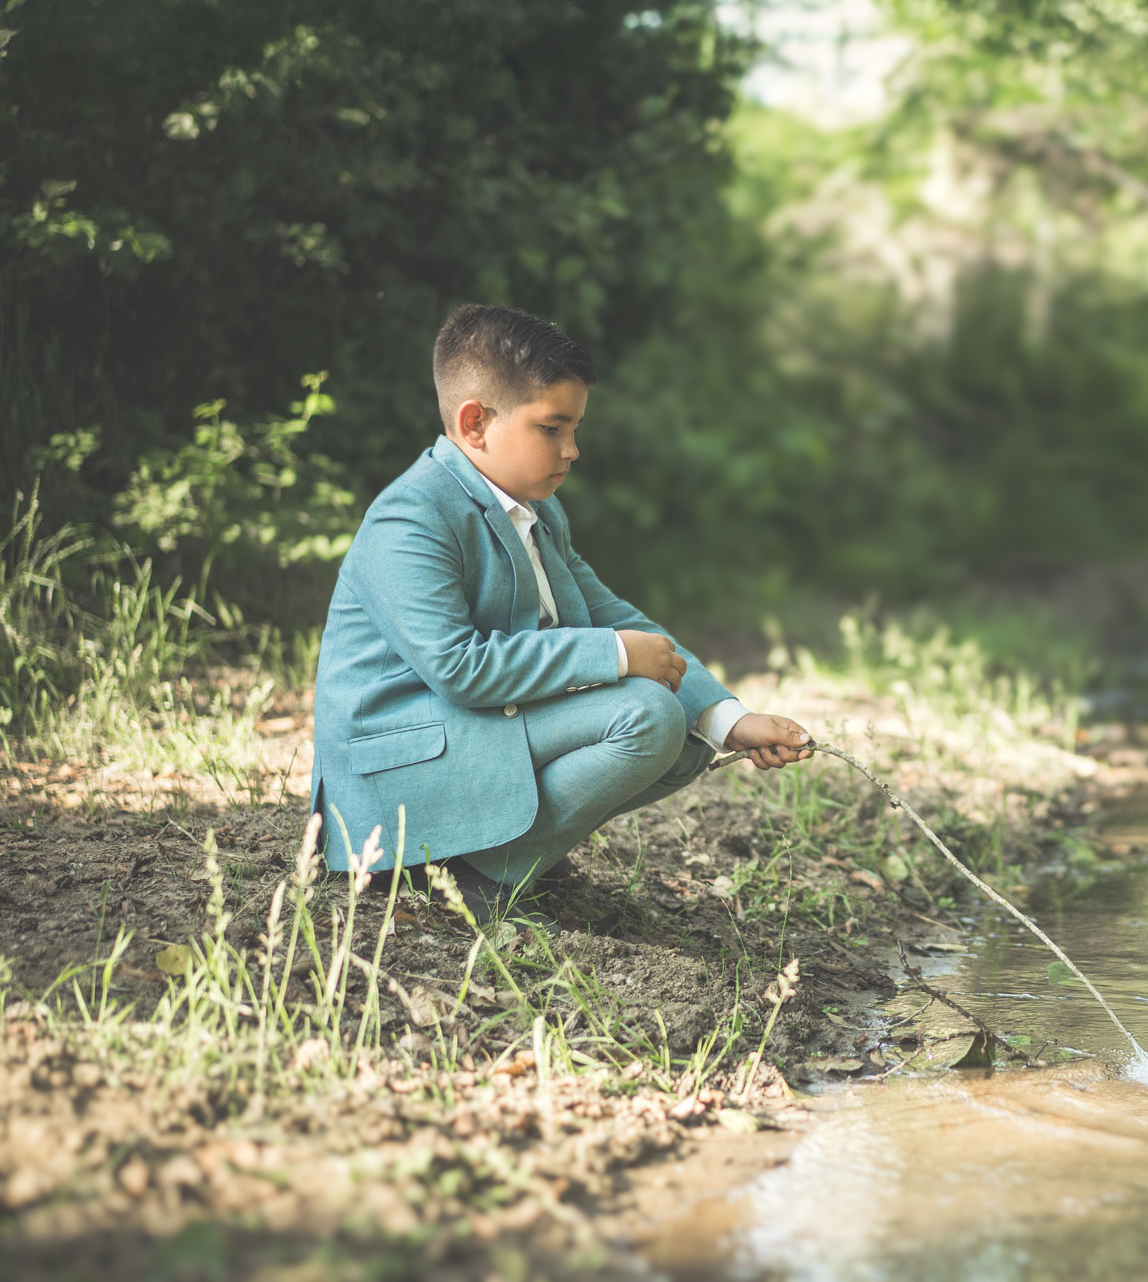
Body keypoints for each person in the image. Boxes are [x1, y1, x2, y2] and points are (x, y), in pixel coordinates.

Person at [309, 303, 812, 919]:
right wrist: (617, 655)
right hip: (400, 770)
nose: (572, 450)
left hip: (470, 729)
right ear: (475, 424)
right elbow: (458, 668)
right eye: (552, 428)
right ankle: (456, 872)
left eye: (575, 429)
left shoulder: (537, 510)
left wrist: (729, 718)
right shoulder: (411, 516)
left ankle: (502, 858)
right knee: (649, 714)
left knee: (689, 733)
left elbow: (604, 609)